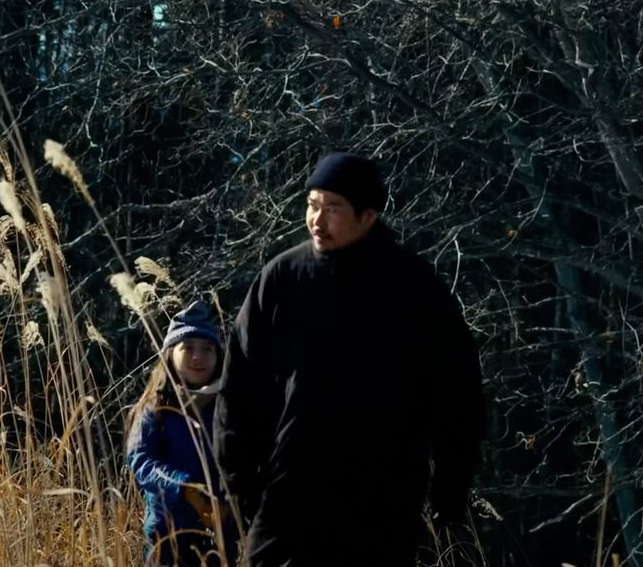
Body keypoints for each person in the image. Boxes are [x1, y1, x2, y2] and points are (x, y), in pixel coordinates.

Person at [212, 151, 486, 566]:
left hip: (382, 494)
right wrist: (239, 479)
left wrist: (451, 487)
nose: (316, 221)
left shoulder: (413, 288)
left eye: (333, 208)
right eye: (312, 205)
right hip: (290, 489)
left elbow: (457, 393)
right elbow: (240, 382)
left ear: (369, 215)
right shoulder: (283, 278)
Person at [128, 301, 241, 566]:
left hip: (218, 536)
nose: (197, 357)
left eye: (207, 349)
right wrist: (182, 486)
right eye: (187, 348)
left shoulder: (227, 408)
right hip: (168, 536)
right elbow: (140, 460)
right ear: (170, 353)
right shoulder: (155, 407)